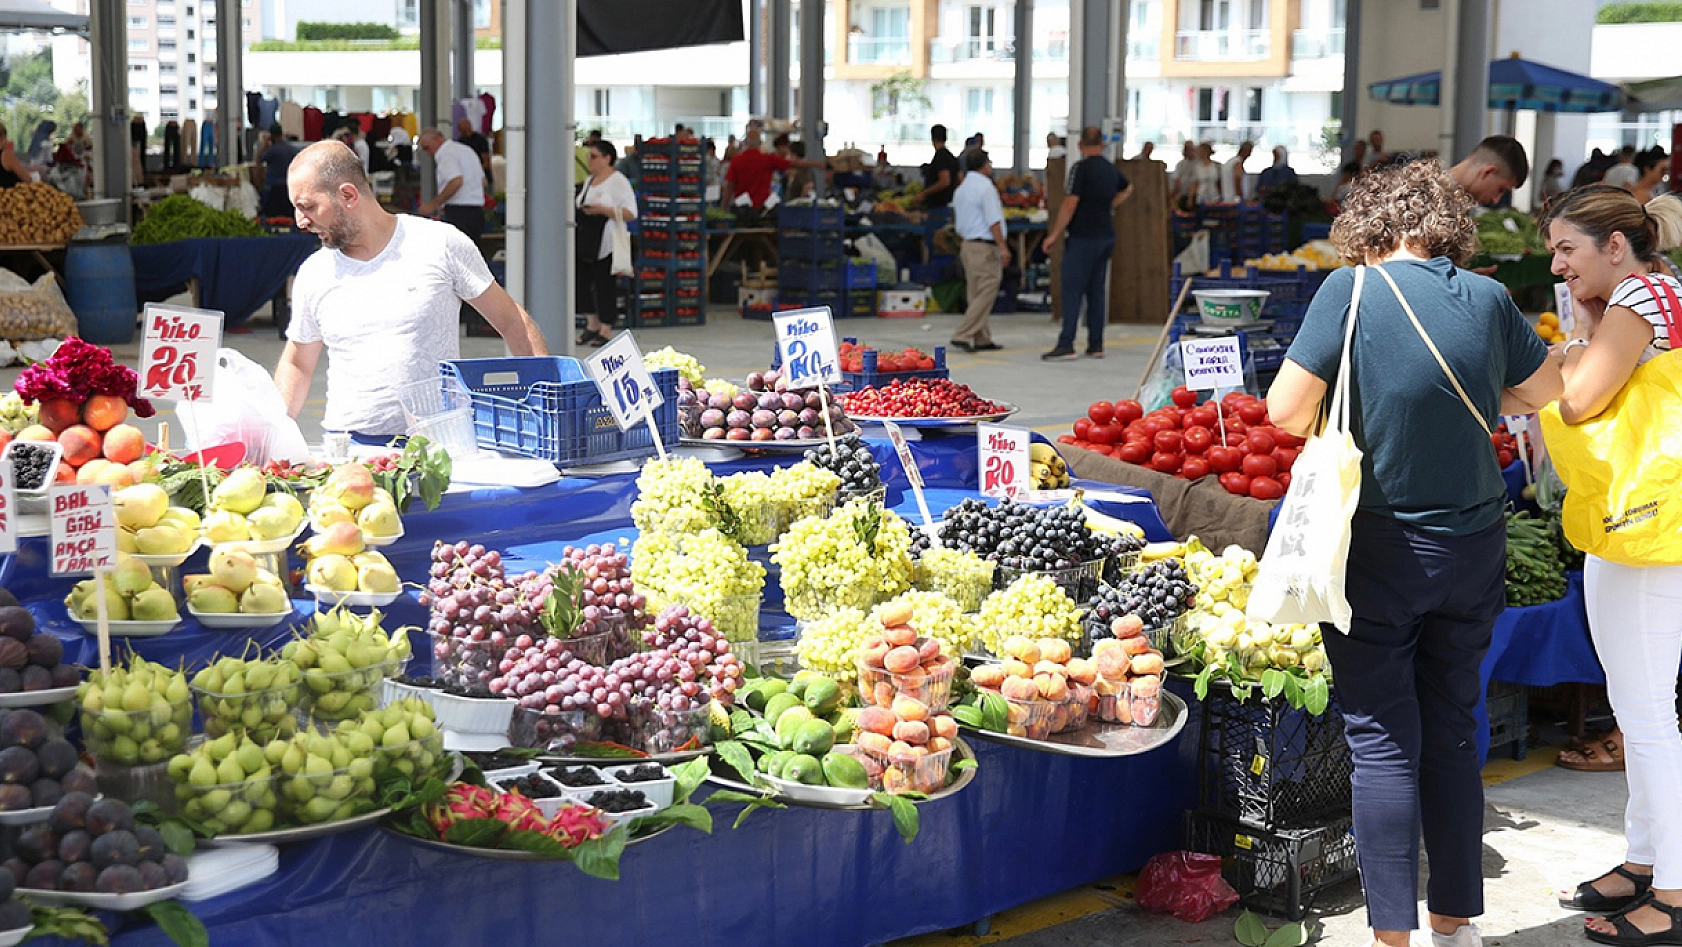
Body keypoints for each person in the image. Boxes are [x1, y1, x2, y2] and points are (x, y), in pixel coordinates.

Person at [1265, 160, 1561, 947]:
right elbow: (1541, 391)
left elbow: (1285, 410)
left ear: (1372, 224)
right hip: (1473, 547)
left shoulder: (1350, 292)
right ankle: (1455, 921)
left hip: (1380, 550)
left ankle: (1392, 933)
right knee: (1456, 729)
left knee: (1382, 741)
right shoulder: (1491, 298)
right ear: (1446, 225)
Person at [1539, 183, 1682, 947]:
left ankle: (1675, 890)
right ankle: (1644, 860)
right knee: (1637, 704)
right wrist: (1585, 330)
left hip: (1649, 531)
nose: (1559, 265)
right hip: (1634, 526)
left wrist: (1567, 353)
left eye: (1568, 249)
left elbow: (1580, 401)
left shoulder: (1639, 296)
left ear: (1615, 245)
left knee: (1649, 711)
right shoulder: (1642, 296)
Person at [273, 142, 547, 442]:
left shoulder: (439, 244)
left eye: (308, 207)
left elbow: (512, 321)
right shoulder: (315, 271)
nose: (301, 221)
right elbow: (298, 362)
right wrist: (271, 434)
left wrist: (549, 409)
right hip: (350, 450)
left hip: (439, 448)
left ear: (348, 195)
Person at [1042, 127, 1132, 361]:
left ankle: (1066, 344)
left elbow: (1070, 204)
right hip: (1105, 236)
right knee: (1096, 292)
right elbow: (1128, 188)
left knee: (1072, 290)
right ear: (1102, 145)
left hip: (1083, 238)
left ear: (1080, 145)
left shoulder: (1080, 170)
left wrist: (1054, 234)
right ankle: (1095, 344)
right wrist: (1109, 205)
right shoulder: (1110, 169)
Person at [574, 139, 638, 348]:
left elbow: (631, 213)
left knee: (604, 285)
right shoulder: (589, 181)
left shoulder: (618, 181)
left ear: (607, 158)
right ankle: (591, 324)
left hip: (606, 241)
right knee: (582, 283)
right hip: (585, 238)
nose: (589, 161)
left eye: (593, 156)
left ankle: (606, 328)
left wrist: (604, 211)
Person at [950, 148, 1009, 353]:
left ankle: (982, 337)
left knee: (975, 292)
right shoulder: (986, 188)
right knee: (988, 288)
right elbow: (993, 220)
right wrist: (1003, 246)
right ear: (985, 165)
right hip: (984, 246)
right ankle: (963, 333)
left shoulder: (962, 188)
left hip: (967, 244)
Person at [723, 130, 825, 211]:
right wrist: (817, 164)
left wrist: (724, 208)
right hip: (763, 210)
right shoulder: (768, 159)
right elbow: (794, 164)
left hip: (742, 210)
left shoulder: (736, 161)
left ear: (746, 142)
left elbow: (729, 186)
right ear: (760, 143)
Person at [415, 127, 487, 243]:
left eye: (427, 148)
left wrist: (434, 204)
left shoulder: (446, 153)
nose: (428, 153)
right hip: (476, 211)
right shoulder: (466, 150)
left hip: (459, 212)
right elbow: (483, 181)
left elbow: (456, 181)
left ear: (437, 139)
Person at [1449, 135, 1530, 207]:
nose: (1495, 200)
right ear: (1487, 172)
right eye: (1500, 190)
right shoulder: (1439, 207)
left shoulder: (1450, 204)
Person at [256, 124, 302, 218]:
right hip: (289, 186)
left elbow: (258, 160)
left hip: (273, 186)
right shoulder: (293, 149)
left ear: (271, 136)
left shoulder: (272, 150)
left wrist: (265, 145)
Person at [918, 124, 961, 210]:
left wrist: (924, 193)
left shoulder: (941, 156)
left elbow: (945, 181)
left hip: (938, 205)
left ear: (932, 138)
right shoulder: (951, 157)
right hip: (948, 202)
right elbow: (959, 179)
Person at [455, 117, 492, 185]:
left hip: (482, 177)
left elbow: (486, 161)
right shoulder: (460, 142)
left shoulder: (480, 140)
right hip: (468, 179)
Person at [1170, 142, 1197, 207]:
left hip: (1197, 195)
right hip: (1183, 194)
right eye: (1188, 149)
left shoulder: (1199, 163)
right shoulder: (1180, 164)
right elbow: (1176, 180)